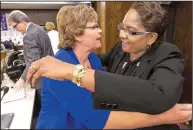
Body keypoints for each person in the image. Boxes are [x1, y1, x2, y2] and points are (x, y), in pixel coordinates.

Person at [27, 4, 192, 129]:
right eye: (122, 27)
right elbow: (94, 117)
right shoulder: (59, 68)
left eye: (131, 31)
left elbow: (156, 94)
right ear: (76, 34)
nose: (120, 35)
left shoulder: (167, 54)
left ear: (151, 38)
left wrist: (73, 71)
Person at [8, 10, 54, 117]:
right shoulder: (39, 29)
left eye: (15, 26)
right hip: (51, 75)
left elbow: (34, 62)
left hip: (42, 79)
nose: (16, 30)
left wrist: (22, 79)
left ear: (22, 21)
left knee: (47, 111)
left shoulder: (29, 35)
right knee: (52, 108)